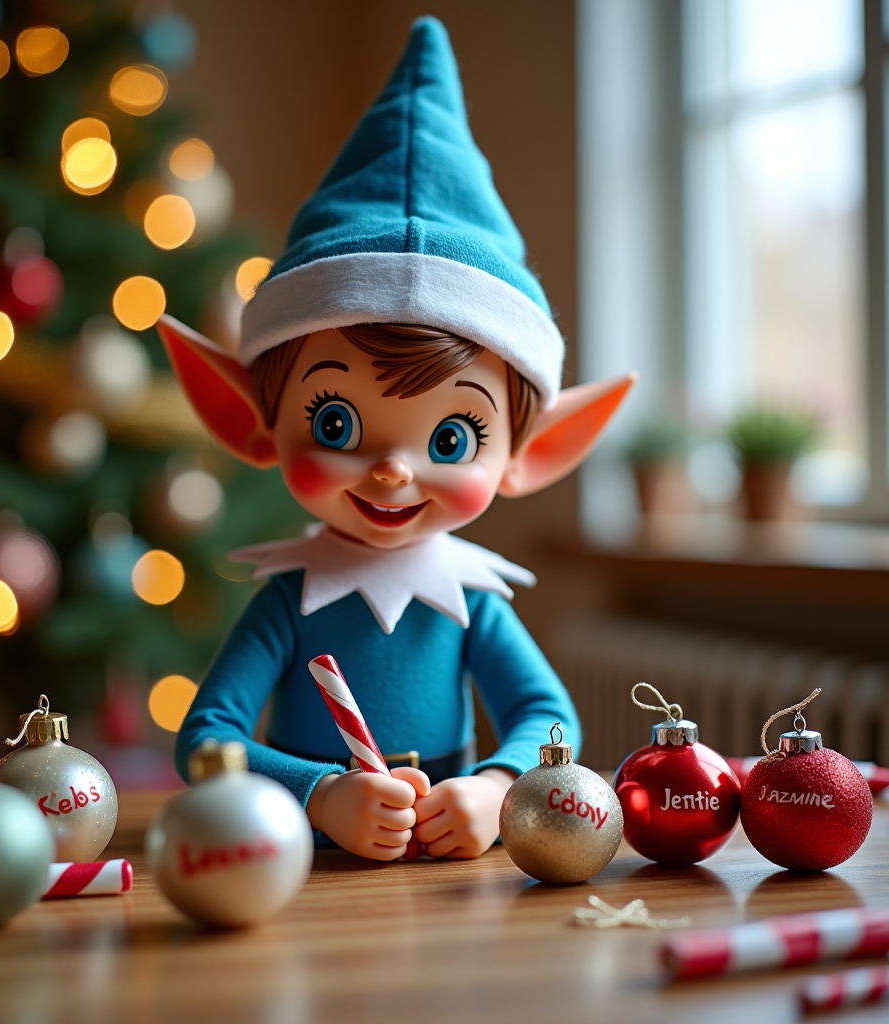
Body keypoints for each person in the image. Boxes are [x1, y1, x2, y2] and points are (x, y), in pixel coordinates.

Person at [157, 17, 634, 861]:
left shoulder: (469, 601)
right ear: (251, 423)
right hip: (292, 871)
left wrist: (493, 789)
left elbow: (548, 716)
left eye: (451, 438)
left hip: (451, 887)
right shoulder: (289, 602)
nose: (389, 469)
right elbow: (204, 740)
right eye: (335, 424)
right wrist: (319, 794)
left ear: (531, 454)